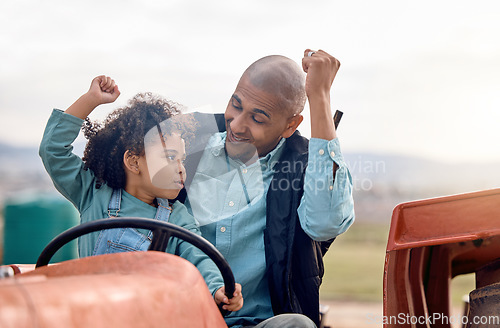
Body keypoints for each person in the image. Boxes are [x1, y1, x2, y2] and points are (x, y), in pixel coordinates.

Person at [178, 49, 355, 328]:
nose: (236, 125)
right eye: (236, 105)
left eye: (257, 119)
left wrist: (319, 97)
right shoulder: (185, 145)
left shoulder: (306, 167)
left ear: (290, 125)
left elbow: (325, 224)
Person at [39, 75, 243, 312]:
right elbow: (52, 149)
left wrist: (218, 288)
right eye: (170, 157)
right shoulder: (93, 191)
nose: (181, 168)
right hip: (88, 313)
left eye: (183, 159)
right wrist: (90, 100)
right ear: (134, 162)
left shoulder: (176, 217)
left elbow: (198, 257)